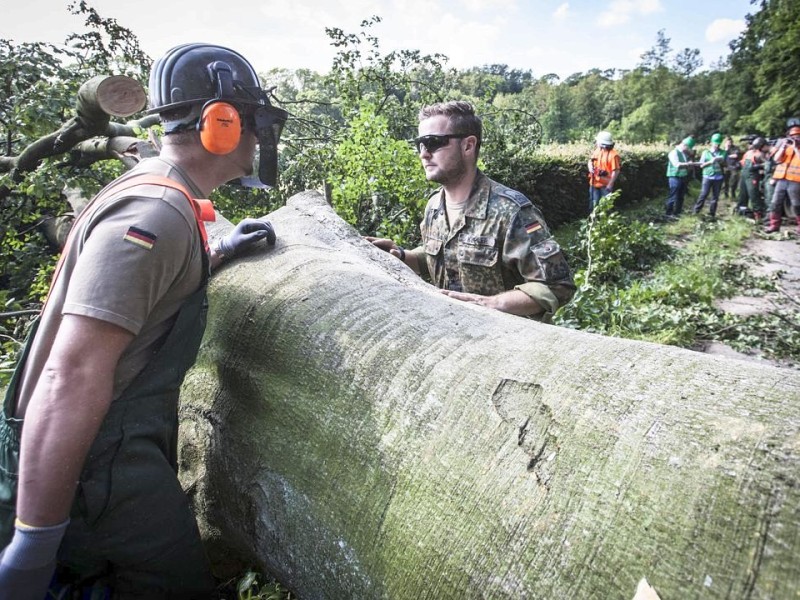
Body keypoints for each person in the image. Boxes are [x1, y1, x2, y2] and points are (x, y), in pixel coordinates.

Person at [0, 43, 288, 599]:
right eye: (252, 120)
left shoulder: (162, 195)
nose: (258, 137)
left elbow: (138, 294)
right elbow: (72, 376)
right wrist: (35, 540)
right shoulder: (154, 214)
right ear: (219, 122)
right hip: (94, 473)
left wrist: (215, 251)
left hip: (97, 462)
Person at [367, 101, 574, 322]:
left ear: (468, 146)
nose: (423, 154)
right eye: (419, 144)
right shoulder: (434, 207)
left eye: (433, 143)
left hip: (508, 345)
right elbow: (443, 256)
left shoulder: (511, 211)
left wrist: (489, 304)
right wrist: (402, 256)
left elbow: (557, 286)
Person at [764, 117, 800, 234]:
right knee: (775, 202)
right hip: (781, 178)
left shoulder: (796, 148)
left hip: (795, 179)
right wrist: (783, 147)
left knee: (796, 205)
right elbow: (776, 159)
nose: (795, 138)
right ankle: (774, 225)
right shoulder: (786, 146)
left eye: (797, 136)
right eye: (793, 136)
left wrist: (796, 149)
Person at [692, 133, 726, 218]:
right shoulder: (705, 153)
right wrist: (710, 162)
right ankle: (696, 211)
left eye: (718, 143)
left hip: (718, 177)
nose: (716, 145)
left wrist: (719, 160)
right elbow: (701, 165)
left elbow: (724, 162)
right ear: (711, 142)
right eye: (715, 143)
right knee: (703, 194)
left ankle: (712, 214)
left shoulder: (723, 152)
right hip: (707, 176)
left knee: (715, 197)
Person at [587, 130, 621, 211]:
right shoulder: (598, 150)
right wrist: (590, 167)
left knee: (606, 207)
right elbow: (590, 161)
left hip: (606, 186)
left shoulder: (614, 155)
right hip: (594, 183)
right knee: (593, 205)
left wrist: (610, 184)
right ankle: (594, 221)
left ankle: (605, 222)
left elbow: (616, 171)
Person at [736, 136, 767, 220]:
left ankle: (758, 214)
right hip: (744, 175)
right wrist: (738, 164)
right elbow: (743, 161)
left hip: (752, 176)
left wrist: (759, 166)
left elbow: (768, 164)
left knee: (753, 194)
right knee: (743, 194)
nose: (750, 146)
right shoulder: (748, 153)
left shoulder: (760, 154)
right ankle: (741, 210)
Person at [665, 136, 696, 218]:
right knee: (673, 195)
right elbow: (677, 165)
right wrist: (688, 164)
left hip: (683, 176)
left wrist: (691, 165)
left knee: (681, 196)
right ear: (684, 145)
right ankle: (669, 213)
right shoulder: (673, 153)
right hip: (674, 177)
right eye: (688, 148)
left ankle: (677, 212)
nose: (688, 150)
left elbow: (686, 165)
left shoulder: (683, 154)